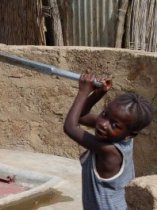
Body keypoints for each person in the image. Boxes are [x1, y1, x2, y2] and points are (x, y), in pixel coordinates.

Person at [63, 74, 154, 210]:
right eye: (104, 114)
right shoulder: (121, 134)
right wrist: (98, 93)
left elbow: (70, 127)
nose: (103, 124)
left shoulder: (110, 152)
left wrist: (84, 91)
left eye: (114, 124)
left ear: (130, 134)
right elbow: (81, 117)